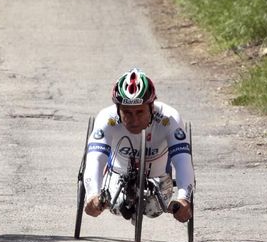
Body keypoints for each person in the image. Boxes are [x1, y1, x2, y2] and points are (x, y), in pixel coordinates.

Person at [83, 68, 194, 223]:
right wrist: (92, 195)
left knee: (153, 209)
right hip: (116, 175)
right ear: (117, 109)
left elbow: (182, 161)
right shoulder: (106, 118)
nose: (134, 120)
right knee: (117, 204)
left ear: (151, 106)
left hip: (159, 177)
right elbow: (95, 158)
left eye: (140, 112)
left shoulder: (169, 118)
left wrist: (184, 199)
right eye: (127, 112)